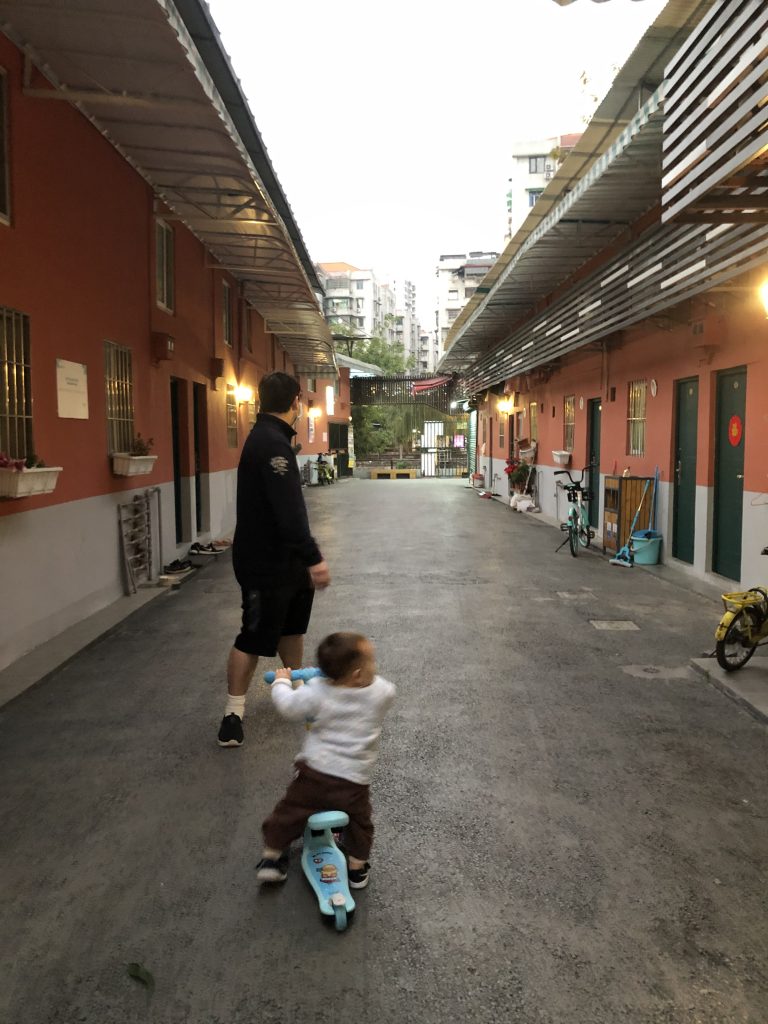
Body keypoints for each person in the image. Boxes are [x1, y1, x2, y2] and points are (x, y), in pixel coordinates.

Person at [218, 371, 331, 748]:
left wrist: (302, 558)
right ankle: (233, 713)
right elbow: (288, 511)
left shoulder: (272, 438)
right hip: (264, 563)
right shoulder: (270, 444)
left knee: (292, 628)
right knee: (253, 636)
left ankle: (297, 694)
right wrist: (314, 557)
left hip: (287, 561)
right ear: (296, 401)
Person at [256, 632, 396, 889]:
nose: (374, 667)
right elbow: (388, 689)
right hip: (354, 781)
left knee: (288, 813)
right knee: (360, 823)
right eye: (371, 661)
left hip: (315, 774)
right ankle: (356, 868)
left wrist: (281, 683)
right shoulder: (380, 693)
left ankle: (272, 858)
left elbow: (288, 707)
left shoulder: (316, 691)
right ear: (357, 675)